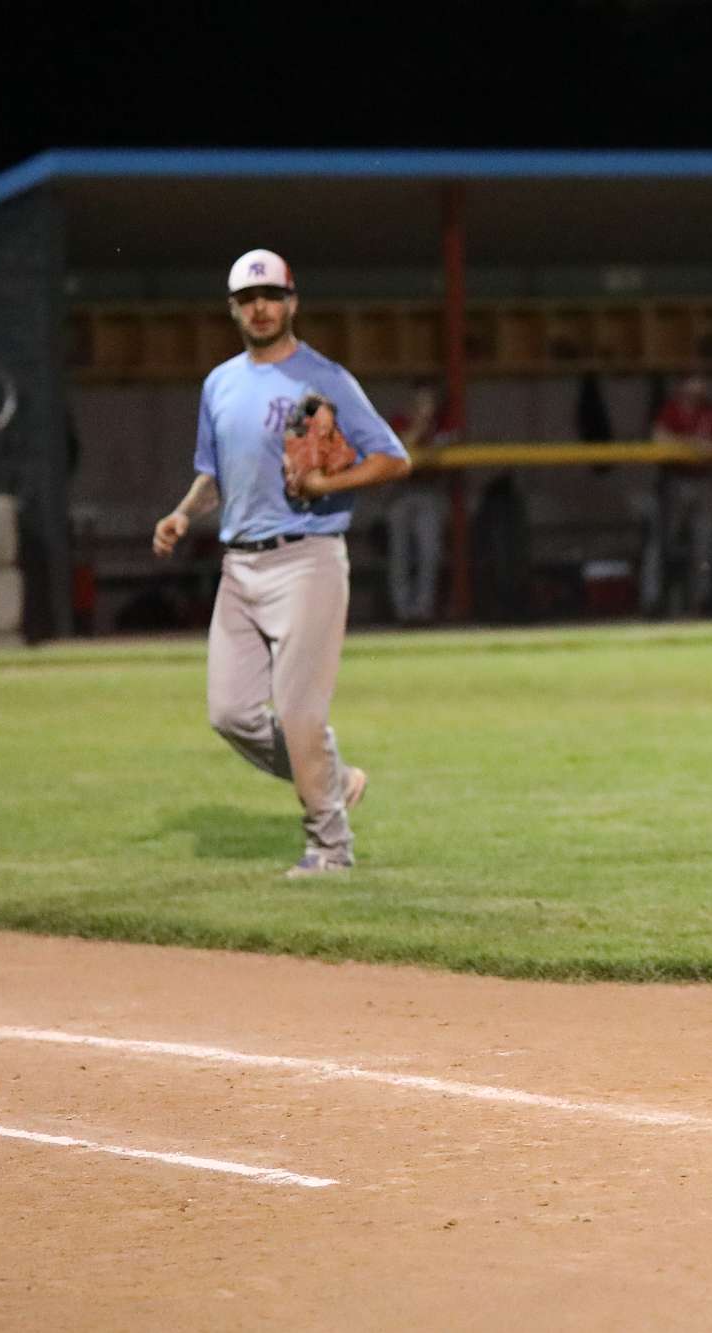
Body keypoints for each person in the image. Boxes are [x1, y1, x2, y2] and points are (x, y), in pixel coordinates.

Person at [151, 249, 411, 876]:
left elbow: (393, 458)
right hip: (239, 565)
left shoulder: (325, 379)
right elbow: (216, 473)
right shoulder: (219, 384)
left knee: (299, 713)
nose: (261, 307)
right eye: (248, 299)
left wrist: (328, 484)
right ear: (233, 309)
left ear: (292, 302)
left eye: (271, 295)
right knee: (231, 714)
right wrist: (184, 513)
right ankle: (335, 780)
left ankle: (330, 847)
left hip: (307, 559)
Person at [643, 373, 712, 615]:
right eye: (693, 382)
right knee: (661, 543)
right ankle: (653, 600)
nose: (699, 387)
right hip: (674, 481)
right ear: (682, 387)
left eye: (701, 383)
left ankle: (703, 599)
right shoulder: (671, 410)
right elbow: (658, 437)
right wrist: (692, 445)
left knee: (705, 544)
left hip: (705, 481)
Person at [384, 383, 452, 624]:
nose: (424, 407)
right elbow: (401, 449)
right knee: (399, 554)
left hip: (429, 492)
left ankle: (423, 612)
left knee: (429, 552)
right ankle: (402, 612)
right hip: (401, 492)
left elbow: (445, 452)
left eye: (428, 401)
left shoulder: (442, 424)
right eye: (419, 402)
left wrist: (429, 427)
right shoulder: (400, 421)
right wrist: (419, 425)